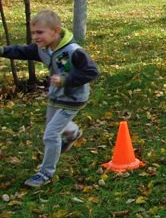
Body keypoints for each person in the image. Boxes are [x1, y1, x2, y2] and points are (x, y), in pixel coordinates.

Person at [1, 10, 99, 187]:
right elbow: (21, 51)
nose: (35, 37)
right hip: (56, 97)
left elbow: (92, 71)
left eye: (40, 32)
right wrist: (2, 50)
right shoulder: (43, 49)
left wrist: (66, 80)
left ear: (55, 31)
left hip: (73, 98)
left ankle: (45, 173)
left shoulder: (73, 51)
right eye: (33, 33)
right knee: (54, 128)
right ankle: (73, 133)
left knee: (51, 134)